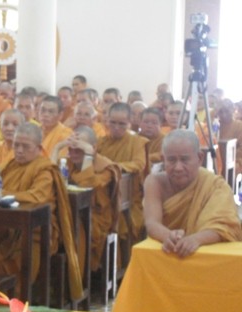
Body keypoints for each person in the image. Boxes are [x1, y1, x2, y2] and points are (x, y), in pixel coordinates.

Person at [0, 123, 82, 299]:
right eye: (16, 145)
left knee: (16, 259)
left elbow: (37, 197)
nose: (19, 150)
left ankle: (17, 299)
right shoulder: (11, 164)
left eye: (25, 146)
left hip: (37, 232)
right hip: (7, 227)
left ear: (39, 148)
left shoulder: (45, 169)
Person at [143, 129, 242, 257]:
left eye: (185, 160)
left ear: (199, 158)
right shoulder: (155, 182)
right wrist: (169, 236)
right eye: (171, 160)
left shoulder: (216, 186)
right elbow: (152, 223)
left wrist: (196, 239)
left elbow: (225, 227)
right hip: (168, 251)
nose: (178, 168)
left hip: (206, 255)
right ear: (163, 159)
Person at [52, 127, 121, 271]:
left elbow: (86, 185)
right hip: (70, 212)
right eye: (71, 149)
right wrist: (57, 148)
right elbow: (50, 178)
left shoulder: (106, 168)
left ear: (93, 148)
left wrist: (89, 155)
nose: (73, 153)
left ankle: (78, 276)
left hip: (95, 218)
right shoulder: (67, 162)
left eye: (79, 149)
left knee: (75, 227)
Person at [97, 102, 147, 241]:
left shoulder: (137, 142)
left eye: (122, 124)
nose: (116, 127)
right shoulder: (101, 142)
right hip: (102, 195)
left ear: (129, 122)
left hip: (128, 198)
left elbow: (139, 164)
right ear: (107, 120)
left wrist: (114, 167)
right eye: (112, 122)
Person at [215, 99, 242, 174]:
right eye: (221, 112)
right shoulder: (215, 125)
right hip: (216, 160)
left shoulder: (239, 126)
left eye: (227, 111)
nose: (224, 114)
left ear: (233, 110)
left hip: (234, 161)